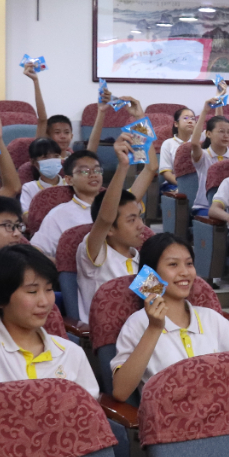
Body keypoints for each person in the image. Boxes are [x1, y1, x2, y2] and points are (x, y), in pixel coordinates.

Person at [0, 160, 156, 457]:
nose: (44, 301)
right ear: (0, 298)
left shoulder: (69, 353)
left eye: (46, 290)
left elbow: (86, 425)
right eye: (31, 291)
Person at [109, 233, 229, 402]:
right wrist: (154, 328)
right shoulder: (137, 324)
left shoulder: (211, 318)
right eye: (173, 264)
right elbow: (121, 392)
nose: (185, 272)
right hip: (169, 417)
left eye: (189, 264)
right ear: (150, 274)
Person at [77, 135, 154, 325]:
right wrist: (123, 166)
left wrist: (141, 128)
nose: (141, 225)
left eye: (140, 217)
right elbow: (105, 218)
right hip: (105, 334)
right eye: (132, 220)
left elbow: (151, 168)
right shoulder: (96, 254)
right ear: (110, 229)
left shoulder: (140, 259)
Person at [31, 150, 104, 260]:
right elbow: (35, 252)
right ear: (69, 180)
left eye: (97, 170)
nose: (93, 175)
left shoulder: (116, 206)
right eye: (84, 171)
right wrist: (62, 267)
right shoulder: (58, 215)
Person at [188, 87, 229, 216]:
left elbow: (219, 121)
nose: (226, 135)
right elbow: (194, 143)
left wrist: (219, 99)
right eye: (221, 132)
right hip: (204, 206)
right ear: (208, 134)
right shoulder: (204, 156)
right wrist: (205, 111)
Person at [21, 137, 65, 213]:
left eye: (56, 156)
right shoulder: (29, 188)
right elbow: (27, 216)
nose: (52, 160)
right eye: (45, 157)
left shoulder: (71, 184)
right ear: (33, 162)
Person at [158, 107, 196, 192]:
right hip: (174, 184)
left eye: (193, 119)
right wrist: (183, 185)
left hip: (197, 184)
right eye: (185, 118)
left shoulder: (198, 143)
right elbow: (166, 173)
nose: (190, 121)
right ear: (176, 124)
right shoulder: (168, 144)